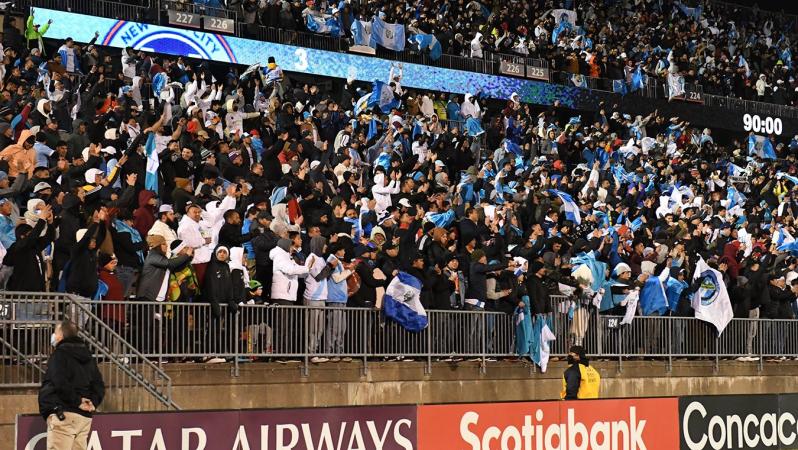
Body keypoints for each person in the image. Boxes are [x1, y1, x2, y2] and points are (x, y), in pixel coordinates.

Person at [38, 320, 105, 450]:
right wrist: (93, 403)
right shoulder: (88, 357)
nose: (53, 335)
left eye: (55, 332)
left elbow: (60, 382)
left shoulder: (59, 355)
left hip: (64, 414)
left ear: (61, 335)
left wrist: (77, 401)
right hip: (83, 418)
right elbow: (99, 385)